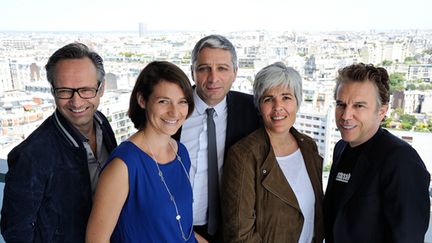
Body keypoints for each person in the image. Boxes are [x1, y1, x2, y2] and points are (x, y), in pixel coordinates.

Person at [0, 42, 117, 242]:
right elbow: (16, 231)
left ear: (102, 88)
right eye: (65, 91)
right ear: (53, 91)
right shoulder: (32, 155)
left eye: (86, 90)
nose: (77, 102)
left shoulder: (101, 121)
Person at [86, 61, 198, 243]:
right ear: (142, 100)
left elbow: (180, 229)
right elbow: (96, 240)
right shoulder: (123, 166)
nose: (174, 112)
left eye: (182, 102)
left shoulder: (180, 152)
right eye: (163, 101)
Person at [323, 63, 430, 243]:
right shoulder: (342, 147)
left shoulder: (401, 161)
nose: (346, 115)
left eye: (359, 106)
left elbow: (407, 237)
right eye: (341, 104)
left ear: (381, 111)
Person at [221, 62, 324, 243]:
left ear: (297, 102)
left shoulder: (309, 147)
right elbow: (239, 234)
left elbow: (317, 214)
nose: (278, 107)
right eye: (268, 99)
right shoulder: (243, 155)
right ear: (259, 106)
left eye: (286, 97)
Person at [173, 34, 261, 242]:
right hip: (176, 228)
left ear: (235, 73)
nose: (213, 78)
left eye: (222, 68)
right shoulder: (172, 110)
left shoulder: (251, 110)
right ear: (193, 73)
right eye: (204, 68)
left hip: (231, 229)